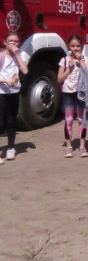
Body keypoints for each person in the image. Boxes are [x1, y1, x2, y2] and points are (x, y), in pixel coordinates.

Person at [57, 35, 88, 158]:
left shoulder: (85, 59)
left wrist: (80, 61)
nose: (75, 48)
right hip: (68, 92)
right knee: (68, 119)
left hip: (81, 92)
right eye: (72, 46)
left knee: (81, 119)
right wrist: (69, 69)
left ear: (82, 46)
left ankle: (82, 146)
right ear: (68, 46)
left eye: (78, 46)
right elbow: (59, 79)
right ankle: (69, 146)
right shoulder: (64, 60)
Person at [0, 32, 29, 163]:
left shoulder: (21, 56)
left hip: (14, 92)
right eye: (11, 41)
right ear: (5, 42)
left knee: (12, 121)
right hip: (1, 92)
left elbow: (25, 71)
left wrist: (17, 54)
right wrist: (4, 81)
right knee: (0, 122)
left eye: (16, 41)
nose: (14, 43)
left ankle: (11, 147)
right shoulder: (1, 56)